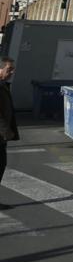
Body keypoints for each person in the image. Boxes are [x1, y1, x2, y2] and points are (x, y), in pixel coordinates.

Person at [0, 57, 17, 198]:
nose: (12, 71)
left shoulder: (4, 84)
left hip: (2, 136)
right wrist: (6, 131)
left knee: (1, 165)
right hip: (0, 134)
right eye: (9, 69)